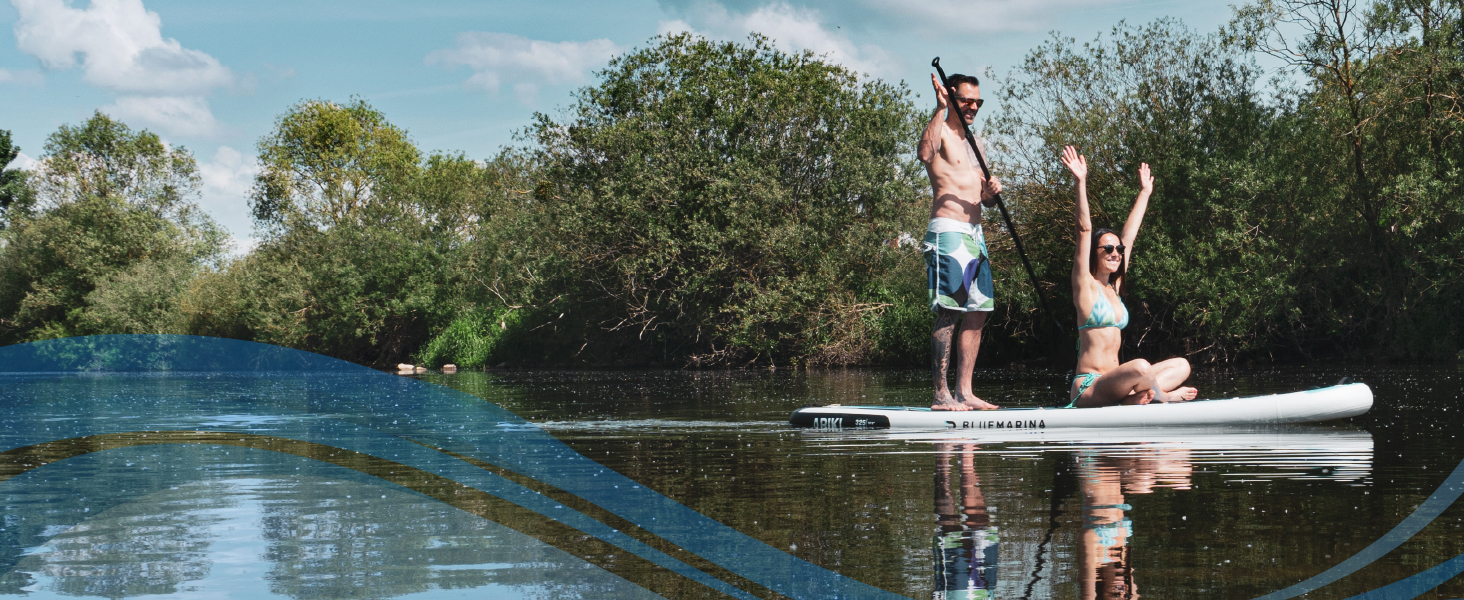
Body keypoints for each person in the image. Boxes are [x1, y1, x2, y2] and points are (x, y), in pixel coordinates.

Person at [1059, 146, 1197, 407]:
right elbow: (1083, 229)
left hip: (1117, 382)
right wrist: (1080, 182)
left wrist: (1145, 193)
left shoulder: (1115, 286)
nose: (1116, 253)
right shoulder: (1084, 284)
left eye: (1118, 250)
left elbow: (1130, 236)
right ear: (1094, 253)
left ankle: (1133, 399)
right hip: (1090, 386)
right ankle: (1162, 396)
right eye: (1108, 248)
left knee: (1181, 365)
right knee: (1141, 367)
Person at [918, 72, 1003, 411]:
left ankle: (965, 392)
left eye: (978, 102)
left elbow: (984, 198)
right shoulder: (939, 131)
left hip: (976, 235)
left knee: (979, 311)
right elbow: (924, 154)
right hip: (948, 231)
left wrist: (991, 192)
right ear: (952, 97)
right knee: (949, 310)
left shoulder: (974, 141)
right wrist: (939, 109)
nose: (973, 106)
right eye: (967, 100)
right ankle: (941, 395)